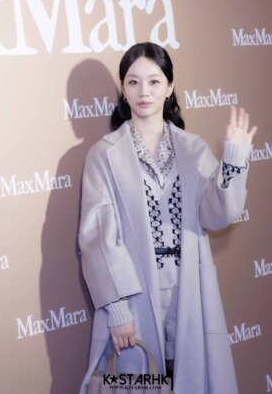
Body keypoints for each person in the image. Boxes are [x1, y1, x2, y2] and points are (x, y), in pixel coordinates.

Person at [78, 42, 257, 394]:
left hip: (189, 287)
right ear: (123, 90)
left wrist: (234, 158)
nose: (143, 91)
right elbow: (97, 239)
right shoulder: (104, 155)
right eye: (133, 82)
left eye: (154, 81)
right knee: (141, 384)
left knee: (192, 380)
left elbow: (218, 214)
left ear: (170, 86)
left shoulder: (194, 149)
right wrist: (117, 310)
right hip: (134, 293)